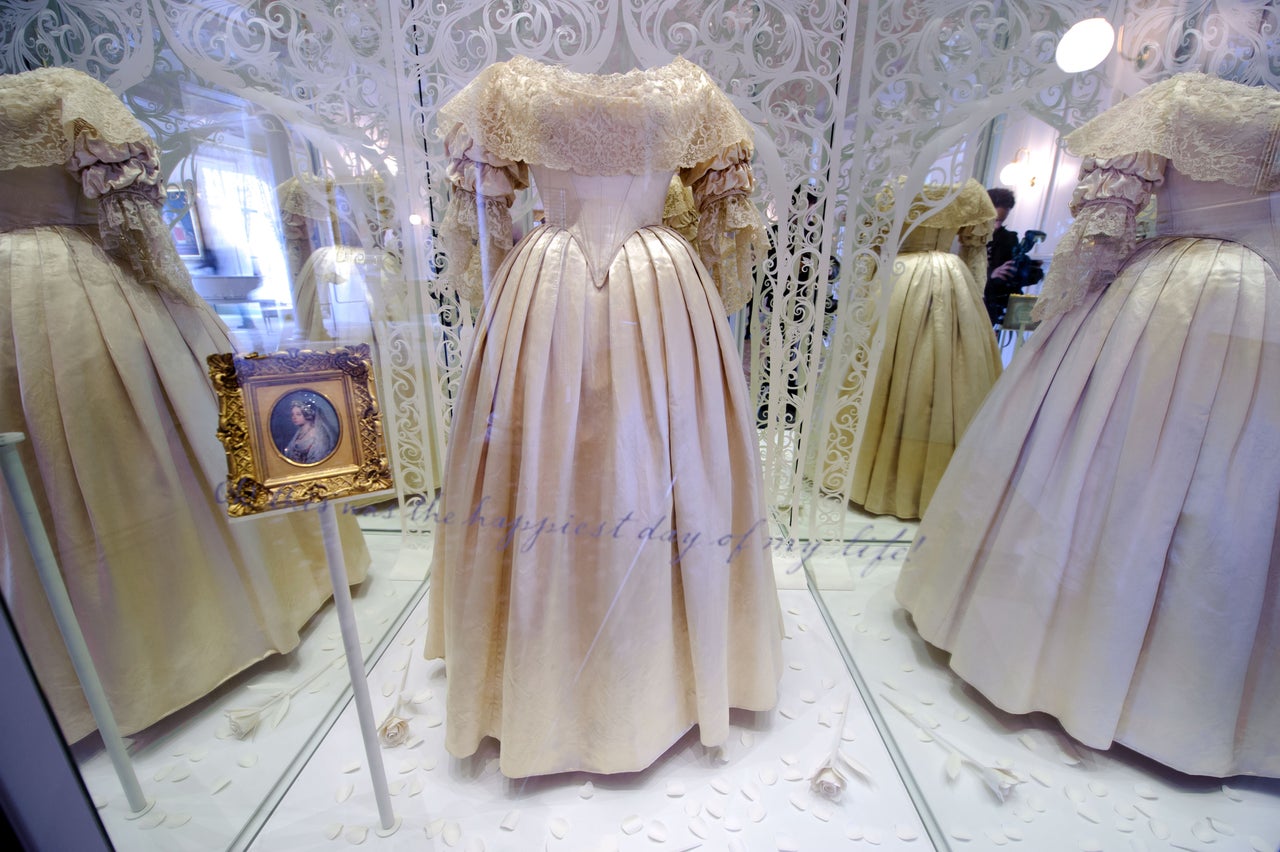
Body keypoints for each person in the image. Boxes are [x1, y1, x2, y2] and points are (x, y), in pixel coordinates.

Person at [895, 74, 1280, 778]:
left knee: (1115, 460)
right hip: (1262, 303)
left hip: (1167, 297)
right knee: (1234, 477)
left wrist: (1068, 313)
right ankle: (1191, 696)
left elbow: (1103, 230)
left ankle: (1057, 652)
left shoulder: (1177, 99)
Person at [425, 55, 783, 778]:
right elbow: (723, 236)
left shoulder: (687, 86)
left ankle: (651, 673)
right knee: (567, 458)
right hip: (642, 281)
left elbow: (485, 229)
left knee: (649, 461)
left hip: (566, 279)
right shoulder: (510, 87)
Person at [0, 67, 370, 741]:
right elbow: (135, 216)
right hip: (79, 288)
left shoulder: (62, 95)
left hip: (58, 287)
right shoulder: (60, 92)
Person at [846, 178, 1003, 520]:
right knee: (950, 376)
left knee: (893, 373)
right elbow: (975, 259)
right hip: (951, 280)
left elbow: (872, 251)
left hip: (898, 280)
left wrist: (861, 299)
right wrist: (973, 308)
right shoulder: (969, 192)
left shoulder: (891, 189)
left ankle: (875, 475)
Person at [982, 187, 1044, 325]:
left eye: (1001, 221)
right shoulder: (969, 236)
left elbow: (1013, 276)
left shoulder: (1009, 238)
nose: (997, 226)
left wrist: (1027, 268)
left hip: (997, 308)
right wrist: (991, 274)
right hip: (973, 304)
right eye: (994, 220)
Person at [282, 397, 337, 463]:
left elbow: (318, 457)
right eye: (292, 414)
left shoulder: (318, 434)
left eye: (298, 414)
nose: (294, 417)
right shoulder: (300, 432)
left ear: (307, 415)